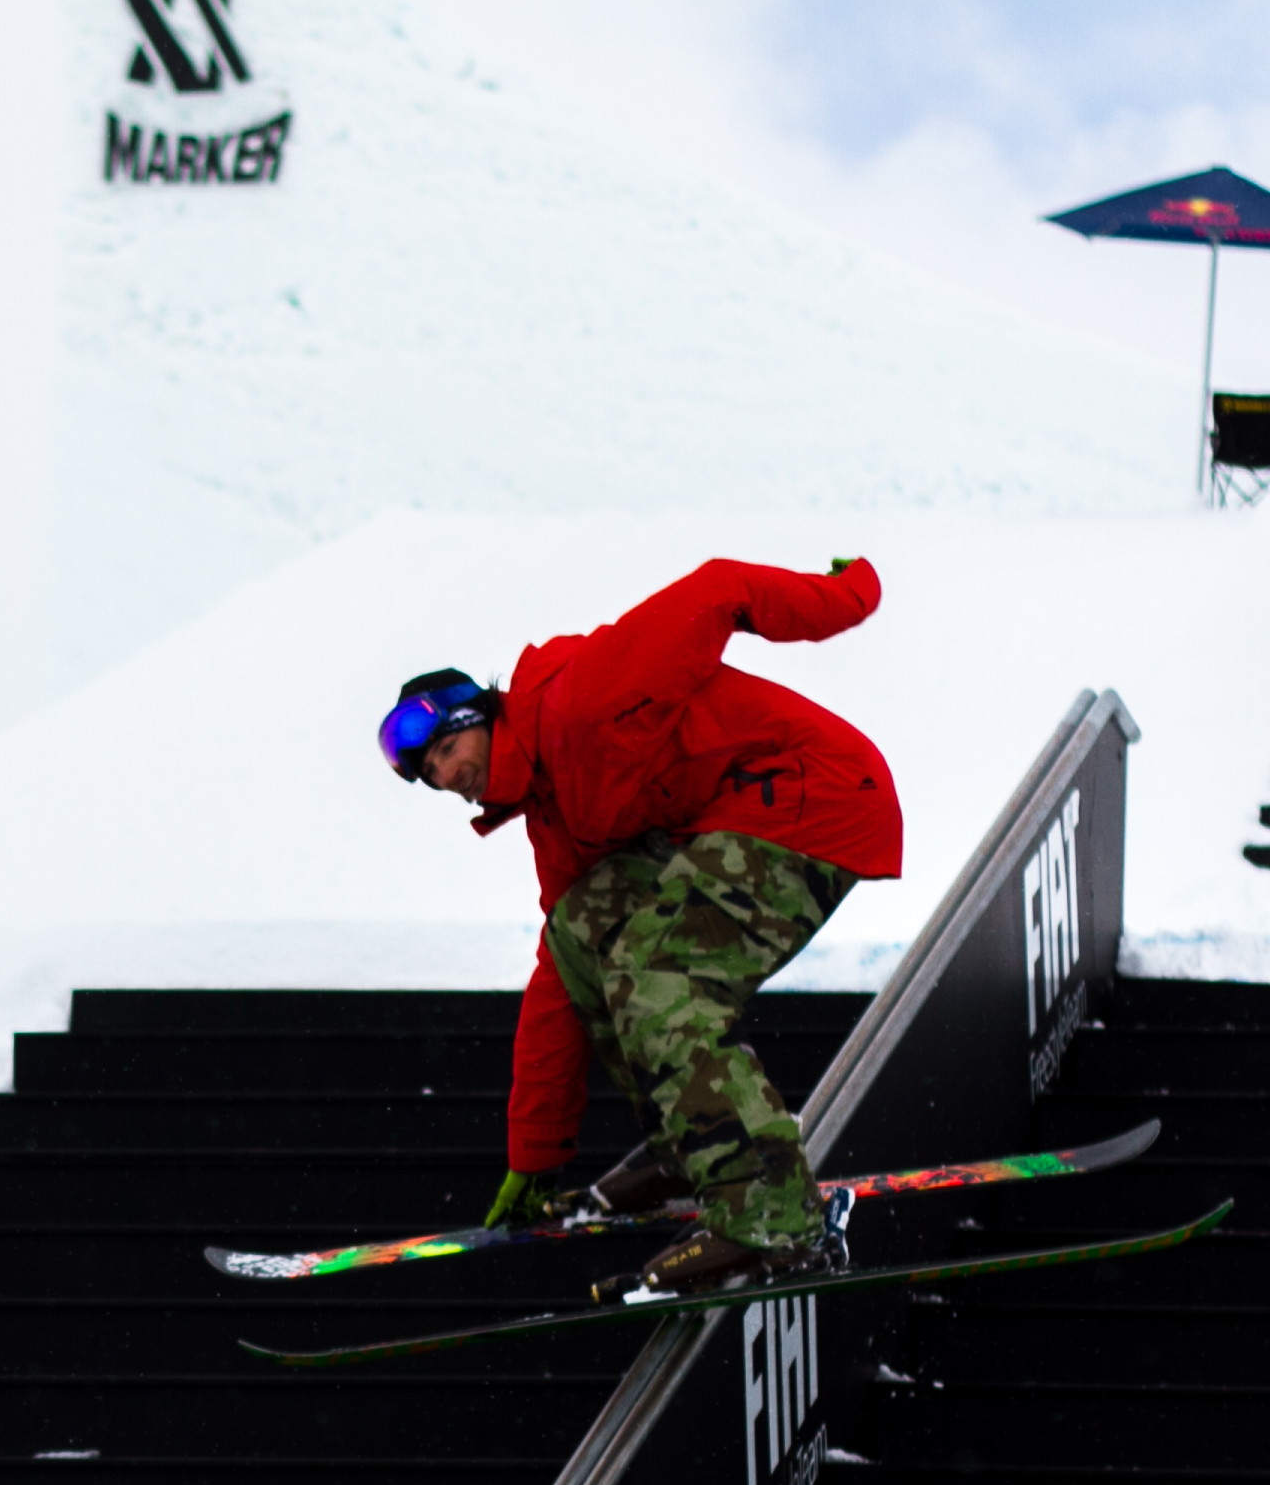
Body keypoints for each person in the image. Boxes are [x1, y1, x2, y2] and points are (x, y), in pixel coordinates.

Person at [379, 556, 901, 1299]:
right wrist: (534, 1154)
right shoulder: (552, 818)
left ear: (481, 718)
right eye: (428, 770)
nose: (445, 773)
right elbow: (562, 975)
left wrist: (852, 591)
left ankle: (774, 1217)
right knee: (581, 932)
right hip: (728, 826)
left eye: (447, 748)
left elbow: (720, 588)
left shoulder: (581, 699)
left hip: (811, 794)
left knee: (658, 976)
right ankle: (691, 1145)